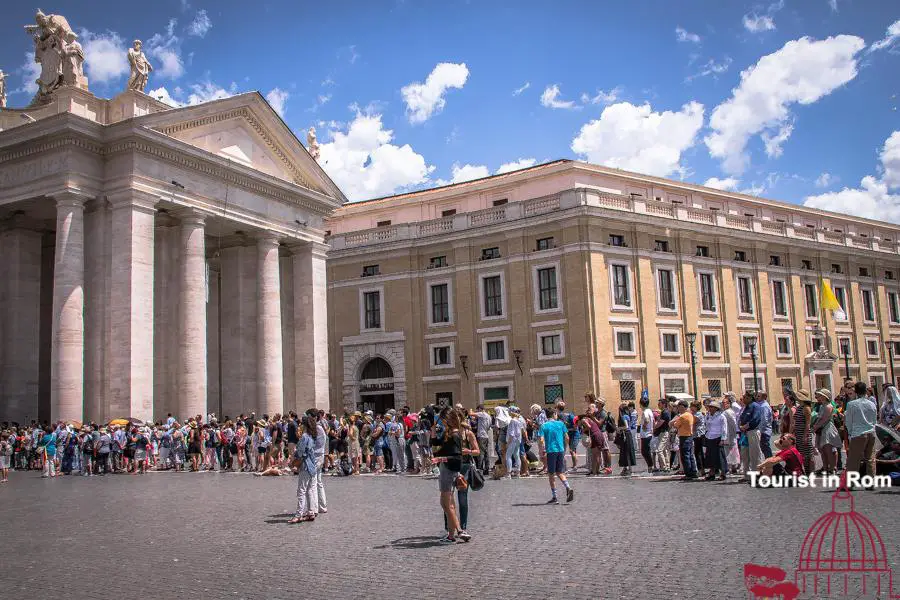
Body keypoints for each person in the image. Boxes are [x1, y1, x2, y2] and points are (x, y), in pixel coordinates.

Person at [431, 407, 464, 544]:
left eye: (443, 420)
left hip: (449, 471)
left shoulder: (455, 435)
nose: (442, 423)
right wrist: (433, 431)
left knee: (447, 504)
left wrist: (440, 459)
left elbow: (457, 458)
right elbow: (436, 445)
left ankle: (459, 530)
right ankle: (451, 534)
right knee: (447, 503)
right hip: (446, 470)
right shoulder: (449, 434)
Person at [448, 410, 480, 542]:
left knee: (462, 497)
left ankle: (463, 526)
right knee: (448, 498)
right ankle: (449, 528)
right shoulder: (449, 433)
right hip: (450, 466)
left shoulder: (468, 433)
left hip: (464, 466)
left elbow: (478, 451)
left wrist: (469, 451)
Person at [538, 407, 573, 503]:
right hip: (560, 450)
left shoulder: (544, 426)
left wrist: (542, 450)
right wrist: (565, 448)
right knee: (560, 472)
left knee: (551, 474)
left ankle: (555, 497)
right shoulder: (561, 424)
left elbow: (541, 440)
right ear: (554, 414)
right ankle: (568, 487)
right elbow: (567, 437)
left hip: (551, 451)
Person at [288, 415, 319, 524]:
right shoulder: (311, 436)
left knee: (301, 491)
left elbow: (300, 452)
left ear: (304, 425)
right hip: (312, 466)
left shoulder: (305, 437)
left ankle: (298, 515)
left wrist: (293, 458)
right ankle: (311, 512)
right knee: (309, 490)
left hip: (305, 466)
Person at [845, 380, 877, 477]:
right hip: (871, 432)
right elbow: (874, 419)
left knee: (854, 459)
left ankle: (851, 482)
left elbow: (848, 421)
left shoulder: (851, 404)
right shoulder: (872, 404)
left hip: (858, 433)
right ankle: (871, 481)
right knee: (870, 458)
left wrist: (850, 432)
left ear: (856, 391)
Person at [812, 389, 841, 475]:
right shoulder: (822, 406)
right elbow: (819, 418)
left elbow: (825, 419)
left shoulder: (828, 406)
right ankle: (825, 467)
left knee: (828, 449)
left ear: (825, 396)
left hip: (827, 428)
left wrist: (816, 426)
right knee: (822, 449)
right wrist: (815, 426)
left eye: (820, 395)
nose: (818, 397)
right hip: (821, 428)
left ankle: (832, 468)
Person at [671, 400, 697, 479]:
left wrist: (674, 422)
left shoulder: (683, 416)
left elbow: (675, 425)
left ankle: (688, 473)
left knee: (685, 456)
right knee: (690, 455)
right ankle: (693, 472)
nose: (679, 409)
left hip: (684, 437)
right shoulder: (690, 415)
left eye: (680, 407)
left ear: (684, 407)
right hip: (690, 436)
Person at [704, 400, 727, 481]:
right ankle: (712, 472)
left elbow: (724, 428)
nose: (709, 408)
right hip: (709, 437)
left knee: (720, 456)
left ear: (716, 408)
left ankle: (723, 473)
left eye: (711, 407)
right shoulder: (708, 415)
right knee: (710, 456)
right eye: (709, 407)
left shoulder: (721, 416)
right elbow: (706, 426)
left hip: (717, 437)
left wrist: (723, 439)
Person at [504, 406, 526, 479]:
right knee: (516, 455)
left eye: (509, 411)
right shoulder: (520, 420)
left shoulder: (512, 421)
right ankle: (518, 472)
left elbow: (511, 433)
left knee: (508, 456)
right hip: (518, 440)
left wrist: (508, 443)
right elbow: (523, 431)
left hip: (512, 440)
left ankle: (508, 473)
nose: (508, 412)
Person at [616, 404, 636, 476]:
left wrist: (619, 428)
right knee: (628, 451)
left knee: (625, 452)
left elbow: (626, 427)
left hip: (625, 435)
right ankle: (627, 469)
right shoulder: (628, 416)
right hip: (628, 435)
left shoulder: (624, 416)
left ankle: (628, 469)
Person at [652, 398, 671, 472]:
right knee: (664, 450)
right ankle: (667, 465)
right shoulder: (663, 412)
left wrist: (654, 427)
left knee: (659, 450)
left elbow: (660, 423)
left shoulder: (665, 412)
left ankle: (664, 467)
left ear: (663, 404)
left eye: (659, 404)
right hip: (662, 432)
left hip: (664, 432)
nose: (658, 405)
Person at [474, 404, 492, 474]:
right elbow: (489, 426)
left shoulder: (482, 414)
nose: (477, 411)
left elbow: (470, 414)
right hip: (486, 436)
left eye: (477, 410)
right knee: (486, 452)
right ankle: (486, 468)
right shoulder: (489, 416)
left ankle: (480, 468)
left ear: (480, 409)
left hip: (481, 435)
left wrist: (472, 411)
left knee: (481, 452)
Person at [638, 396, 655, 471]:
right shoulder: (650, 411)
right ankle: (650, 465)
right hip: (649, 433)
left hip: (646, 434)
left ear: (641, 404)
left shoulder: (645, 412)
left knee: (644, 451)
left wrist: (644, 426)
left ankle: (650, 466)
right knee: (647, 451)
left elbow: (647, 420)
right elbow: (653, 421)